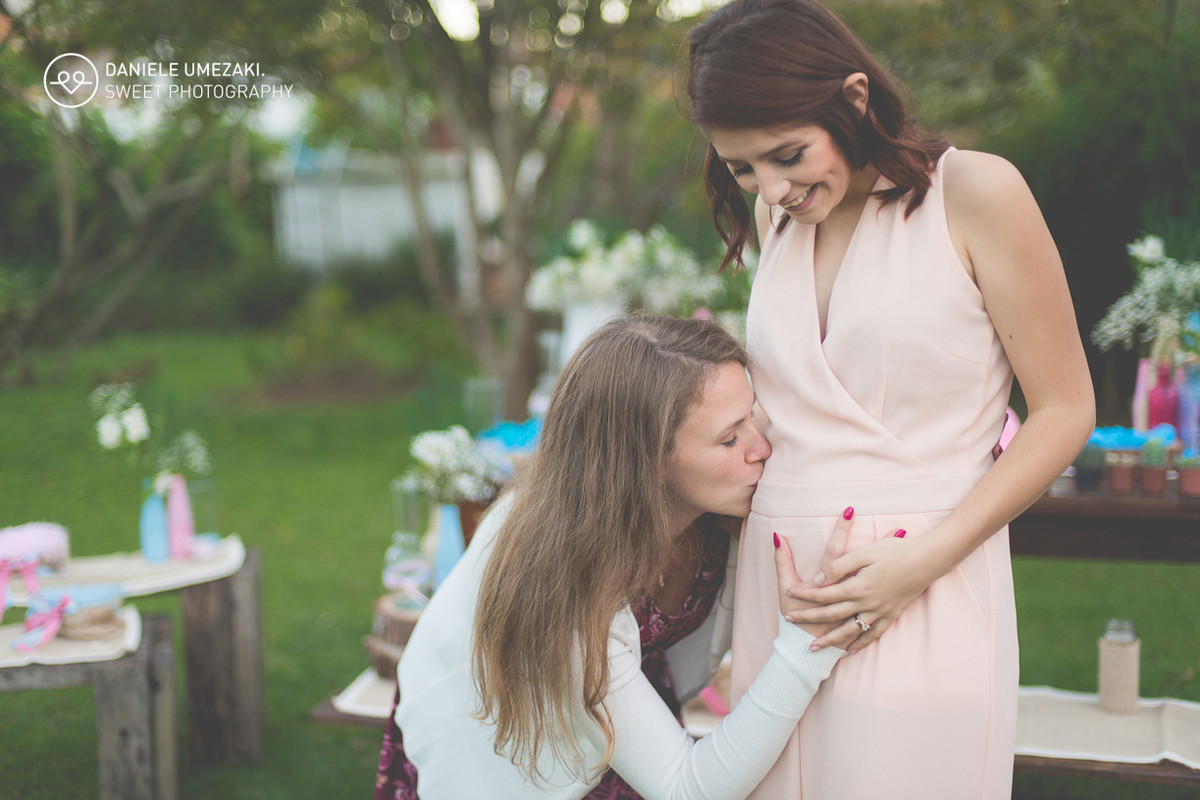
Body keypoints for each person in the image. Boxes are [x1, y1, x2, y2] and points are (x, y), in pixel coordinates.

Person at [685, 2, 1095, 798]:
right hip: (781, 594)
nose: (771, 188)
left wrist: (921, 564)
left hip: (921, 582)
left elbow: (1065, 410)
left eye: (787, 154)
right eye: (741, 168)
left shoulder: (976, 191)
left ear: (855, 98)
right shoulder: (782, 216)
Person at [374, 315, 853, 800]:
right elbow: (686, 789)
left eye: (754, 416)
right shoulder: (564, 586)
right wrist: (805, 646)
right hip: (508, 763)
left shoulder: (713, 509)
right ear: (647, 462)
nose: (762, 447)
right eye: (730, 439)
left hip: (613, 714)